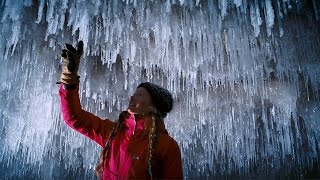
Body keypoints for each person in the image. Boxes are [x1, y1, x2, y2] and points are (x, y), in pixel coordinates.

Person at [57, 41, 183, 179]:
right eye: (134, 93)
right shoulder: (113, 132)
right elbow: (74, 118)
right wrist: (69, 80)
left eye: (140, 95)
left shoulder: (167, 146)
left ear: (153, 106)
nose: (132, 97)